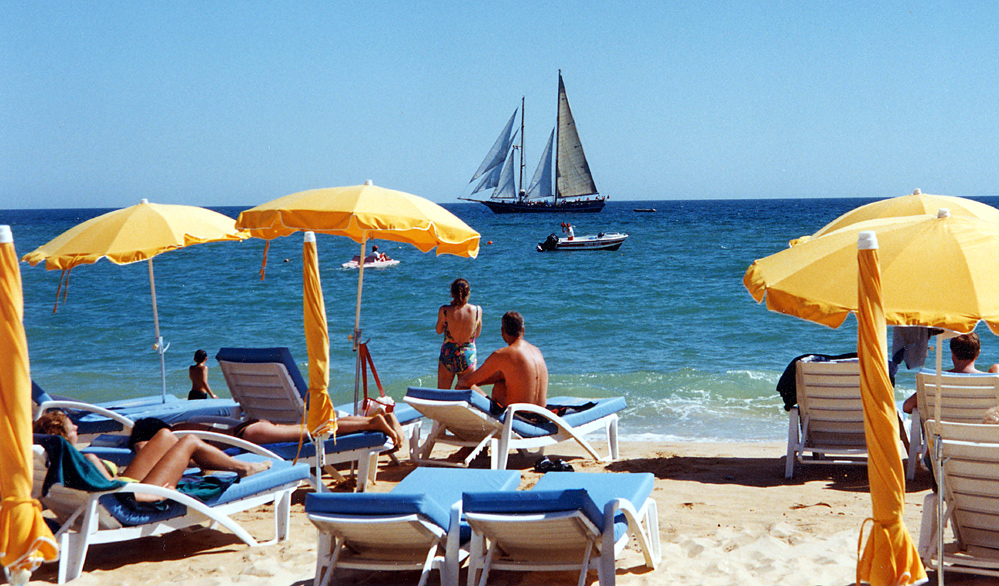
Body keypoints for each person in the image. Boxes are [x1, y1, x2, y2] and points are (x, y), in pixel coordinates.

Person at [33, 410, 270, 502]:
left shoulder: (64, 460)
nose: (76, 427)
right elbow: (113, 494)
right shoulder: (83, 461)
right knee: (189, 441)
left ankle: (213, 464)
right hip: (137, 493)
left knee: (166, 436)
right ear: (60, 434)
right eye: (69, 425)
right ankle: (243, 468)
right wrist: (154, 496)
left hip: (128, 483)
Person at [456, 311, 548, 409]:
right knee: (500, 385)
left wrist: (473, 382)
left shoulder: (503, 354)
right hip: (541, 414)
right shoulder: (536, 351)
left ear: (502, 332)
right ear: (523, 330)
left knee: (461, 386)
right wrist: (481, 382)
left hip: (518, 415)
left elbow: (465, 382)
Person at [903, 332, 983, 414]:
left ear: (952, 353)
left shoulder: (936, 379)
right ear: (978, 353)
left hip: (940, 426)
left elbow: (907, 407)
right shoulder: (988, 380)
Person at [436, 278, 482, 389]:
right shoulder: (477, 310)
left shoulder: (445, 310)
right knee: (465, 396)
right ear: (469, 293)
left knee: (442, 394)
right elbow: (477, 334)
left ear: (452, 294)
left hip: (448, 354)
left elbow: (438, 330)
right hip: (468, 355)